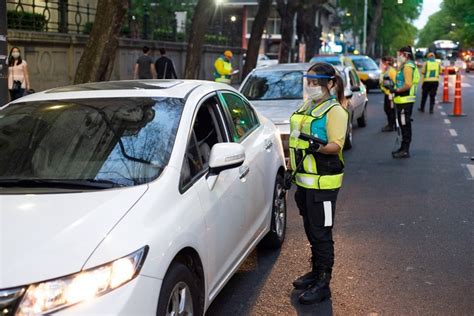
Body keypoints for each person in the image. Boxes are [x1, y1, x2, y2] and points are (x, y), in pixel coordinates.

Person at [289, 63, 349, 305]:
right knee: (311, 231)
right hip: (304, 182)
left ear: (330, 85)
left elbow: (336, 144)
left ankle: (323, 283)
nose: (311, 87)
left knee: (321, 234)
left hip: (323, 185)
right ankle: (315, 272)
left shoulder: (334, 111)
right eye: (309, 82)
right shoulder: (309, 105)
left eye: (316, 83)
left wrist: (319, 146)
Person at [391, 46, 420, 159]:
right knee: (404, 124)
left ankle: (405, 150)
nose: (398, 57)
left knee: (405, 125)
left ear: (406, 55)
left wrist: (396, 90)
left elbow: (407, 84)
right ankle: (403, 148)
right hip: (403, 100)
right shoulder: (406, 66)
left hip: (405, 100)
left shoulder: (407, 67)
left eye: (400, 54)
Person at [380, 56, 398, 132]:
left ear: (386, 63)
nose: (381, 64)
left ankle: (391, 126)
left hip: (391, 94)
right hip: (387, 93)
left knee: (390, 109)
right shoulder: (387, 70)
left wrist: (393, 90)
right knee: (388, 109)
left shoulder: (391, 71)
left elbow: (396, 82)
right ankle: (392, 124)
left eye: (382, 63)